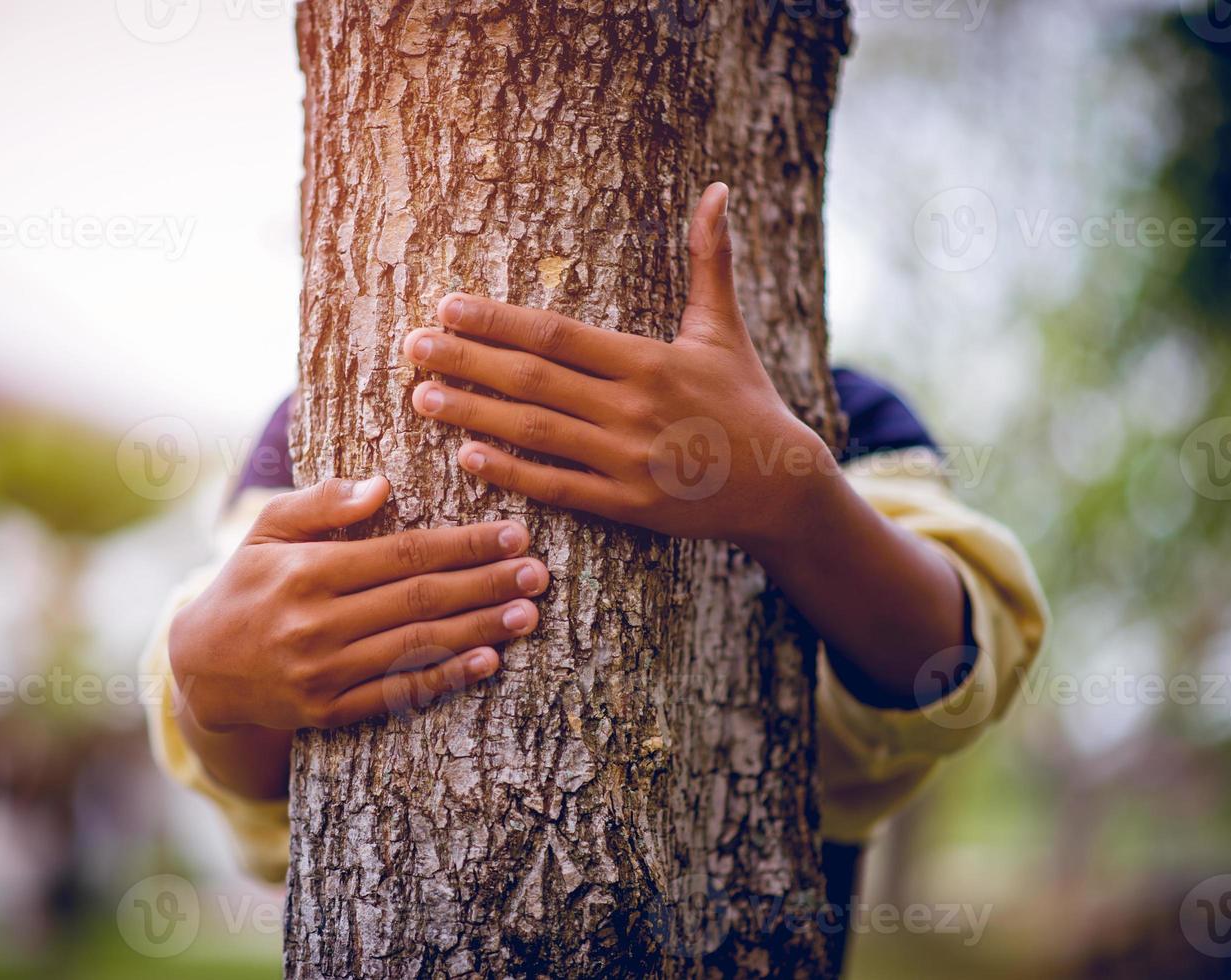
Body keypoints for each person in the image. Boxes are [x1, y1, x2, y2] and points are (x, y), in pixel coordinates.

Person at [141, 184, 1048, 928]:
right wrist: (209, 684)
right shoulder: (317, 427)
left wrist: (796, 498)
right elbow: (260, 772)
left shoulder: (840, 415)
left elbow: (951, 660)